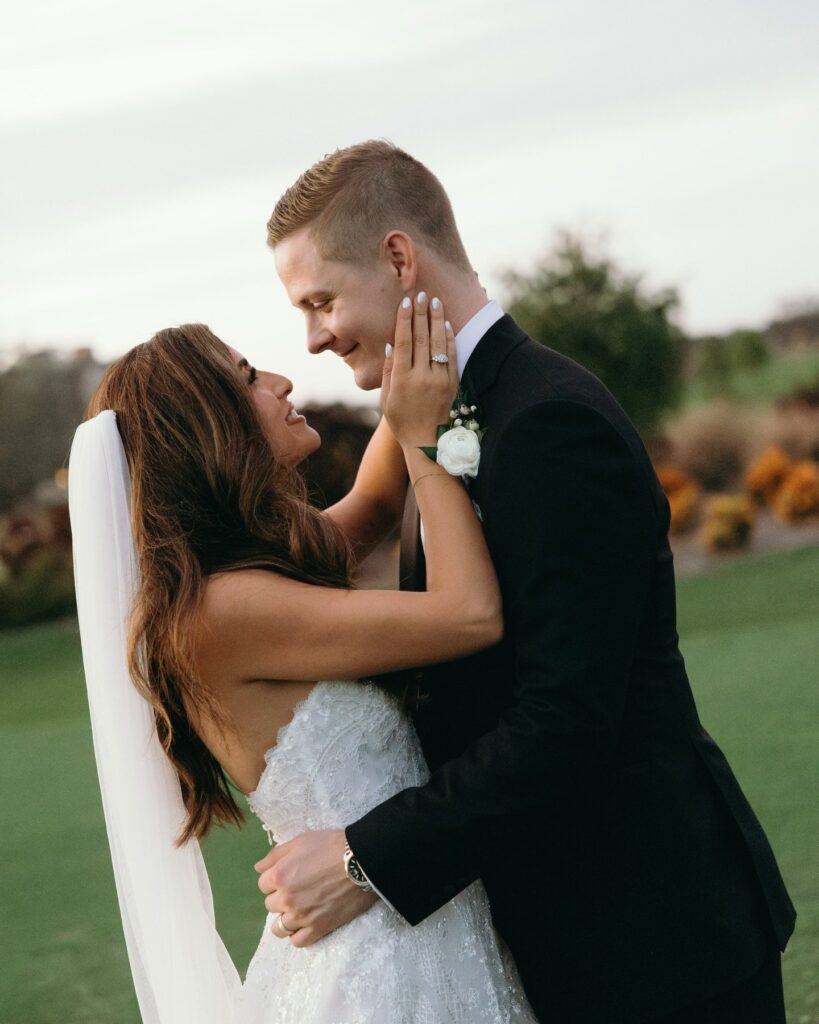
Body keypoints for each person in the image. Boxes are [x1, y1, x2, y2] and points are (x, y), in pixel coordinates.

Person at [254, 140, 796, 1024]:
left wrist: (364, 858)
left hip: (652, 939)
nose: (313, 336)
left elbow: (568, 719)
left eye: (321, 300)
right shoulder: (431, 417)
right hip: (570, 934)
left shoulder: (544, 421)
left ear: (397, 256)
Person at [70, 311, 538, 1022]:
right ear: (210, 428)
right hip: (375, 969)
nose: (284, 380)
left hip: (412, 916)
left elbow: (377, 501)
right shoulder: (222, 612)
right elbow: (469, 613)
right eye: (249, 378)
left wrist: (419, 340)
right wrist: (422, 437)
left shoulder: (247, 575)